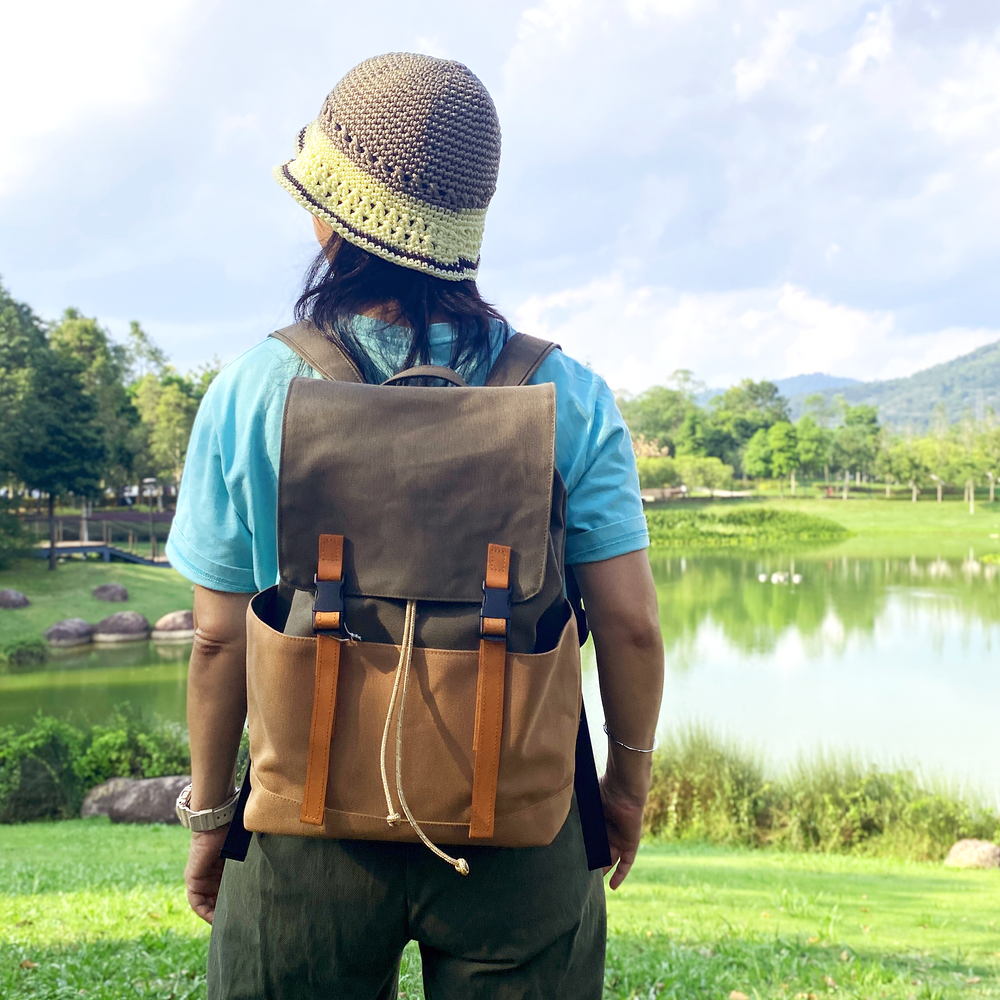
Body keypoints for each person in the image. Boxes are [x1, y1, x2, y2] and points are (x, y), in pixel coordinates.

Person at [167, 52, 664, 1000]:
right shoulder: (569, 393)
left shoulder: (253, 389)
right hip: (521, 825)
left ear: (329, 219)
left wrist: (210, 818)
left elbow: (218, 639)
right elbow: (632, 626)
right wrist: (626, 789)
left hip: (299, 831)